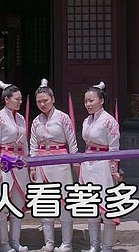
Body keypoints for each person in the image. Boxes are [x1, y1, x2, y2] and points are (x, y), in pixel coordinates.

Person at [28, 78, 78, 252]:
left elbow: (72, 142)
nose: (42, 104)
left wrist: (75, 164)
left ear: (53, 99)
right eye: (39, 102)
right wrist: (32, 166)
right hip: (42, 162)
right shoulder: (36, 121)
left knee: (64, 202)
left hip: (61, 162)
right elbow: (33, 145)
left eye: (45, 100)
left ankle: (67, 243)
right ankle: (49, 242)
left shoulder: (63, 118)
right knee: (44, 202)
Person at [0, 80, 30, 252]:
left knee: (17, 204)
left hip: (20, 164)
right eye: (17, 99)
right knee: (2, 205)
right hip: (4, 163)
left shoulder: (21, 118)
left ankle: (15, 241)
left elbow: (25, 143)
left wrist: (28, 163)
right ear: (6, 99)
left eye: (21, 99)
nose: (20, 102)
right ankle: (4, 243)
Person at [79, 82, 120, 252]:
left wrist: (114, 170)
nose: (88, 104)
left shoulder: (110, 121)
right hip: (88, 163)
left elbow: (114, 148)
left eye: (91, 101)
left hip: (103, 165)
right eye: (86, 101)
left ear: (101, 100)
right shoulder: (86, 121)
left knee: (106, 206)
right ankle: (94, 245)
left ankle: (107, 246)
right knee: (91, 207)